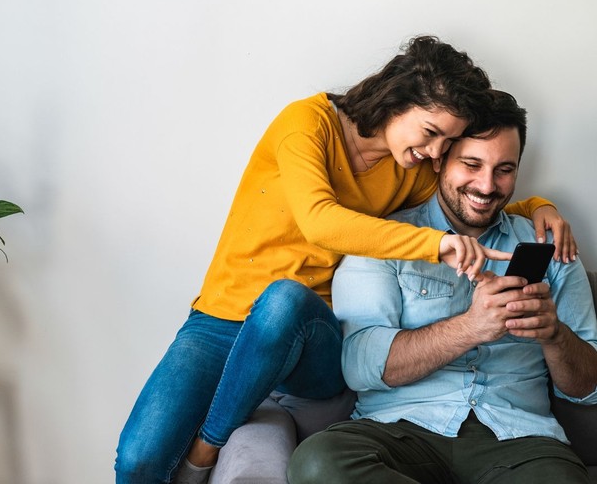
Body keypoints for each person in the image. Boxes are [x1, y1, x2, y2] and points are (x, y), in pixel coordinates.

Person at [114, 37, 576, 484]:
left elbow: (472, 197)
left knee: (285, 302)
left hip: (309, 333)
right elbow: (320, 221)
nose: (435, 152)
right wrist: (435, 245)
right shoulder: (307, 123)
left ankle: (206, 448)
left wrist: (537, 206)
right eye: (432, 133)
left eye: (446, 142)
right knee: (136, 461)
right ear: (397, 100)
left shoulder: (408, 168)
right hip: (224, 315)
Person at [287, 90, 597, 484]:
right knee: (317, 463)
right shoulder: (386, 240)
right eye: (471, 164)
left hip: (520, 442)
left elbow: (589, 389)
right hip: (399, 432)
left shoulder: (550, 247)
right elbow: (359, 366)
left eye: (504, 169)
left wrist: (554, 335)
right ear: (440, 160)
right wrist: (471, 326)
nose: (487, 186)